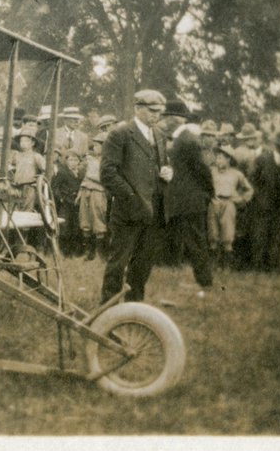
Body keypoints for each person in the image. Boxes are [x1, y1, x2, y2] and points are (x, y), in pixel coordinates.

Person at [99, 89, 171, 304]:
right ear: (138, 108)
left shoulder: (159, 135)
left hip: (154, 211)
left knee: (143, 264)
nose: (156, 115)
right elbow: (108, 173)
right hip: (128, 211)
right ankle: (107, 311)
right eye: (152, 110)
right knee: (118, 264)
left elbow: (159, 165)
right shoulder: (120, 134)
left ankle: (134, 308)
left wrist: (167, 171)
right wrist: (132, 197)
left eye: (159, 112)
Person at [161, 99, 214, 292]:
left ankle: (205, 282)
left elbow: (202, 169)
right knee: (193, 240)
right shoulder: (181, 138)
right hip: (185, 198)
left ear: (177, 118)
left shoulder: (187, 139)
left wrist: (208, 192)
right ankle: (202, 280)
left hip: (190, 199)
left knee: (196, 241)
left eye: (167, 117)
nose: (164, 121)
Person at [247, 129, 280, 272]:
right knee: (259, 236)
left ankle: (271, 267)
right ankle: (257, 266)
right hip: (262, 205)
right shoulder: (262, 159)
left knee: (275, 237)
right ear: (276, 145)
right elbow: (252, 180)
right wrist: (258, 196)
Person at [208, 146, 252, 269]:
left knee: (227, 235)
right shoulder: (211, 171)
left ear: (228, 159)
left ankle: (226, 265)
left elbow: (248, 189)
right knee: (213, 234)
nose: (218, 161)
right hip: (214, 203)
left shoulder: (236, 174)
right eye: (217, 158)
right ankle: (214, 264)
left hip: (229, 204)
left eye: (221, 158)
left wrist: (241, 200)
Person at [78, 132, 109, 260]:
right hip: (86, 191)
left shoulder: (108, 161)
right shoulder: (89, 160)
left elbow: (105, 179)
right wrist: (81, 190)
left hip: (99, 192)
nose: (94, 147)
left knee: (98, 221)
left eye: (97, 145)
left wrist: (91, 177)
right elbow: (83, 176)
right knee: (85, 220)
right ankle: (88, 252)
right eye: (94, 145)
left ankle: (98, 253)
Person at [50, 150, 83, 256]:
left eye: (75, 160)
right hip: (66, 202)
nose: (73, 162)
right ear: (66, 161)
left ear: (79, 162)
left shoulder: (81, 173)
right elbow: (55, 187)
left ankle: (75, 251)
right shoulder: (62, 172)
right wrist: (61, 198)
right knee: (65, 226)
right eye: (70, 160)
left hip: (77, 202)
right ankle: (64, 251)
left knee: (76, 226)